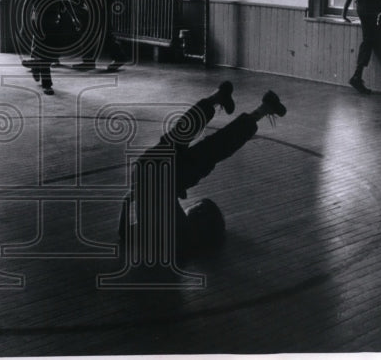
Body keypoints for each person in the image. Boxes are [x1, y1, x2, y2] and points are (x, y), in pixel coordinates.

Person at [119, 81, 288, 261]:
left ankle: (262, 109)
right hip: (146, 168)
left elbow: (128, 232)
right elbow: (123, 232)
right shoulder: (154, 227)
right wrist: (127, 201)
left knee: (216, 146)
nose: (194, 207)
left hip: (168, 178)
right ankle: (218, 97)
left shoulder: (177, 230)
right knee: (181, 134)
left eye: (197, 209)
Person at [20, 0, 66, 95]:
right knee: (44, 50)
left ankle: (36, 65)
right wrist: (23, 24)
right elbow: (26, 6)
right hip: (39, 20)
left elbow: (63, 1)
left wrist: (67, 15)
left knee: (47, 50)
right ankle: (47, 83)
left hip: (53, 20)